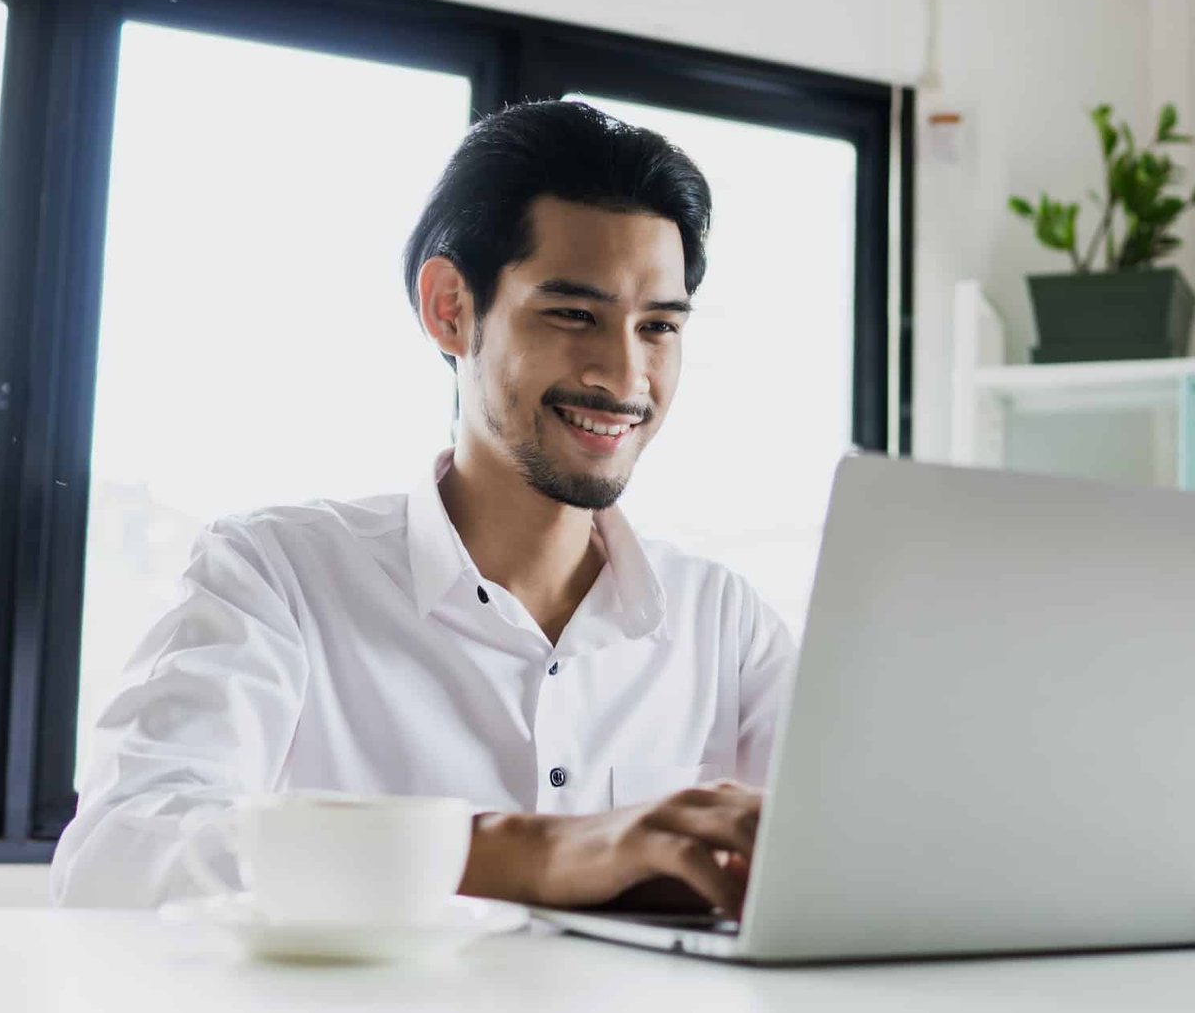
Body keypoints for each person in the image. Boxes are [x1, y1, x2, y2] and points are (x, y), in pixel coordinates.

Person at [50, 100, 796, 916]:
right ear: (450, 309)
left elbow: (865, 851)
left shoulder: (726, 624)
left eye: (657, 326)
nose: (624, 376)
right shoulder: (278, 576)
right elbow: (118, 861)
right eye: (574, 314)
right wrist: (521, 854)